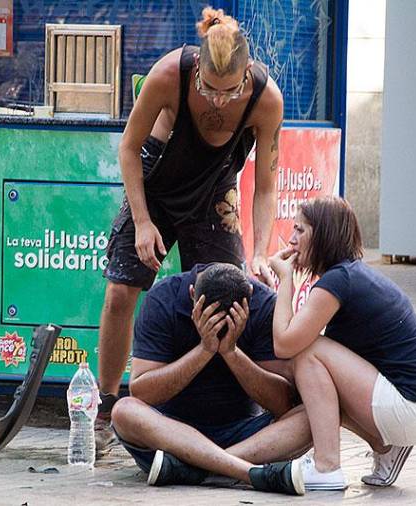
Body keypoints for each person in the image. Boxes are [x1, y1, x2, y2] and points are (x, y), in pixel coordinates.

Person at [97, 7, 284, 447]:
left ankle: (214, 409)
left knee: (225, 296)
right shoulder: (169, 74)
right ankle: (107, 407)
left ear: (247, 76)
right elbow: (128, 149)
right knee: (121, 291)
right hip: (157, 182)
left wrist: (260, 250)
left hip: (214, 190)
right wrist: (142, 223)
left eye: (230, 92)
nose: (220, 100)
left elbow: (265, 186)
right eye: (210, 90)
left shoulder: (265, 99)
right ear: (198, 68)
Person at [265, 196, 416, 491]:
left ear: (323, 235)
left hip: (411, 407)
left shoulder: (337, 282)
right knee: (314, 379)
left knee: (307, 353)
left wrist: (285, 279)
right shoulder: (349, 275)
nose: (292, 240)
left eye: (300, 231)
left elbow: (284, 345)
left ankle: (326, 467)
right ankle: (386, 449)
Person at [110, 263, 311, 496]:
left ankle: (198, 469)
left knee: (318, 413)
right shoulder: (163, 298)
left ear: (250, 297)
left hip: (246, 438)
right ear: (192, 293)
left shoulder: (264, 304)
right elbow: (142, 392)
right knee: (124, 410)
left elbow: (283, 404)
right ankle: (246, 471)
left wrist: (231, 353)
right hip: (170, 436)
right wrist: (204, 350)